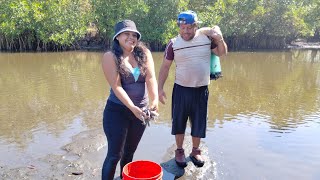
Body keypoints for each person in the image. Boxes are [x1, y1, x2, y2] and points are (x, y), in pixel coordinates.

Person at [158, 10, 227, 168]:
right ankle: (180, 150)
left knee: (199, 123)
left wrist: (219, 37)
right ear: (179, 27)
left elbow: (222, 53)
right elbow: (164, 68)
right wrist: (160, 88)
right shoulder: (173, 43)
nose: (186, 31)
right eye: (183, 27)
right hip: (181, 90)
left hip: (201, 90)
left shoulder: (206, 39)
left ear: (196, 26)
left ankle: (195, 151)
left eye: (190, 27)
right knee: (179, 122)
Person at [101, 19, 158, 179]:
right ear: (117, 37)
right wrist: (132, 108)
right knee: (114, 155)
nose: (131, 38)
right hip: (117, 112)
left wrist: (154, 101)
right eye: (126, 34)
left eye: (134, 35)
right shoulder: (110, 56)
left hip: (141, 112)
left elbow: (151, 78)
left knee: (129, 153)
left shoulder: (144, 53)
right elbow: (116, 86)